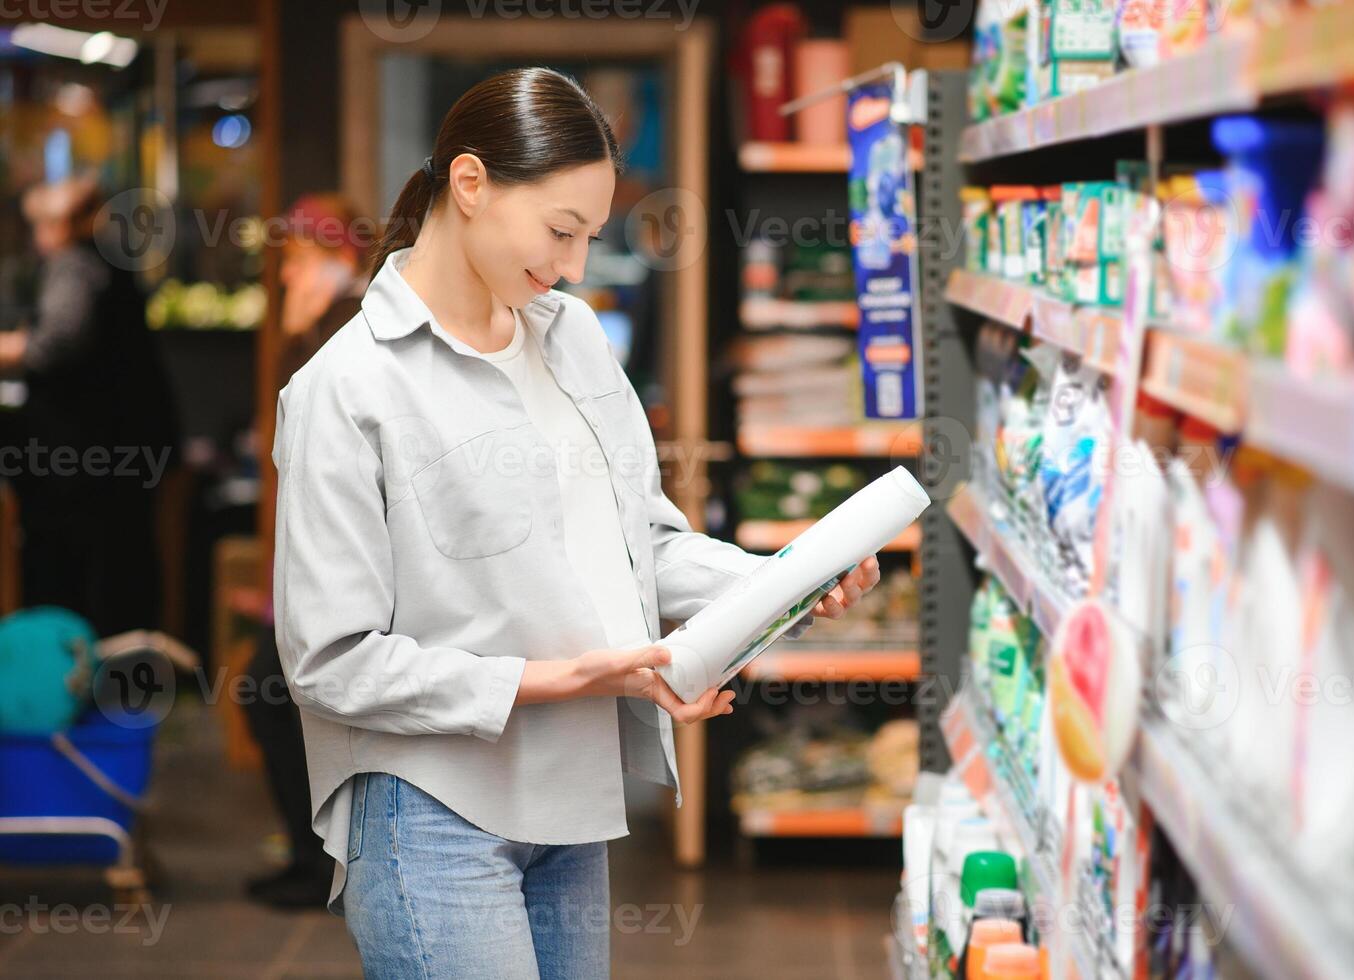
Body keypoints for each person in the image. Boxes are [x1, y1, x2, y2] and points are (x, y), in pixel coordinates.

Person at [271, 67, 881, 979]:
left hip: (573, 801)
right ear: (469, 184)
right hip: (429, 811)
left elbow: (647, 543)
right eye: (562, 231)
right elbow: (330, 660)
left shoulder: (575, 339)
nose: (575, 265)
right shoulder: (347, 389)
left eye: (590, 237)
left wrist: (782, 581)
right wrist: (559, 677)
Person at [243, 193, 370, 908]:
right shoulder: (322, 327)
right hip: (312, 567)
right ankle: (311, 855)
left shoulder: (339, 331)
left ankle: (319, 860)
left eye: (296, 261)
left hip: (331, 569)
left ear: (336, 260)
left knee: (270, 694)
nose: (287, 277)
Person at [0, 176, 177, 635]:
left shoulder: (74, 265)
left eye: (44, 222)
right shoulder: (108, 261)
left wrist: (10, 347)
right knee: (122, 554)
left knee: (78, 559)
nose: (38, 234)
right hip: (124, 444)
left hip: (85, 451)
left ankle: (76, 664)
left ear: (66, 225)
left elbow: (56, 343)